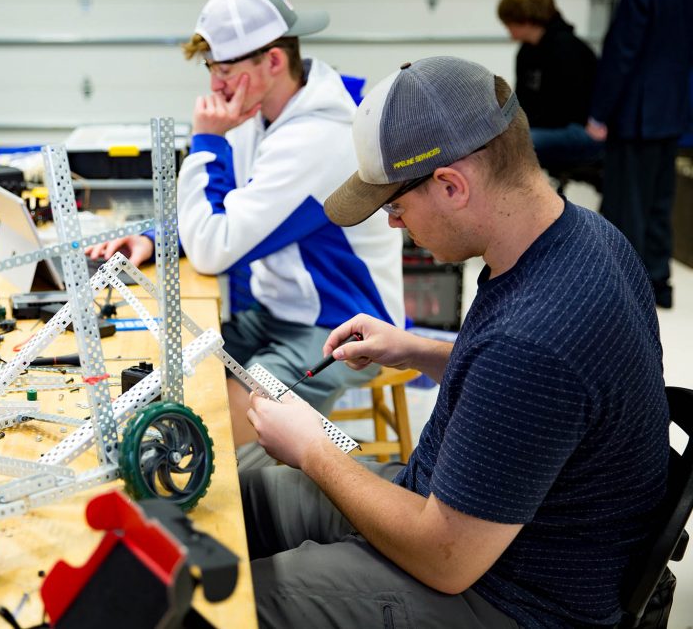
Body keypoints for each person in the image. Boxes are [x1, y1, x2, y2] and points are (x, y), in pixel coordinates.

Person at [242, 56, 670, 628]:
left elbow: (445, 561)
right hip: (468, 520)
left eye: (395, 205)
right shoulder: (584, 238)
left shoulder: (534, 338)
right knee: (249, 498)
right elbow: (531, 403)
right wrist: (416, 349)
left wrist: (313, 448)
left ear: (451, 185)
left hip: (507, 596)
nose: (394, 224)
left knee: (239, 603)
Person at [88, 0, 404, 452]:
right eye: (210, 68)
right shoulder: (265, 115)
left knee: (211, 437)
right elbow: (226, 204)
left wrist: (206, 140)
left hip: (339, 328)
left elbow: (214, 250)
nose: (214, 85)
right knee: (168, 370)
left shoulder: (318, 136)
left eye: (225, 69)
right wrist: (160, 237)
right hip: (277, 312)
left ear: (273, 61)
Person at [586, 0, 693, 309]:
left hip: (636, 113)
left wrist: (600, 113)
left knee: (626, 203)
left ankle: (626, 288)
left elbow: (622, 54)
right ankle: (659, 282)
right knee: (659, 201)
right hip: (670, 108)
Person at [497, 0, 603, 173]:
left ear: (525, 19)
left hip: (576, 129)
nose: (507, 30)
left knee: (513, 142)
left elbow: (572, 110)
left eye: (508, 22)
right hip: (545, 126)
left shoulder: (569, 50)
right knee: (496, 136)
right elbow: (523, 101)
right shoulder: (526, 52)